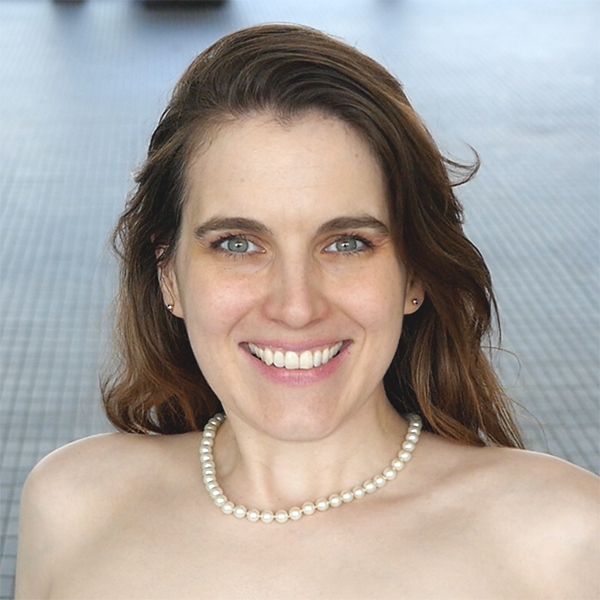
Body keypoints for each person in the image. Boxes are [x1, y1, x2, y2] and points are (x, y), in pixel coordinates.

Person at [15, 24, 598, 599]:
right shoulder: (72, 505)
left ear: (414, 273)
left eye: (346, 243)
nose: (296, 307)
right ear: (168, 275)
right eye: (238, 244)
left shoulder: (562, 537)